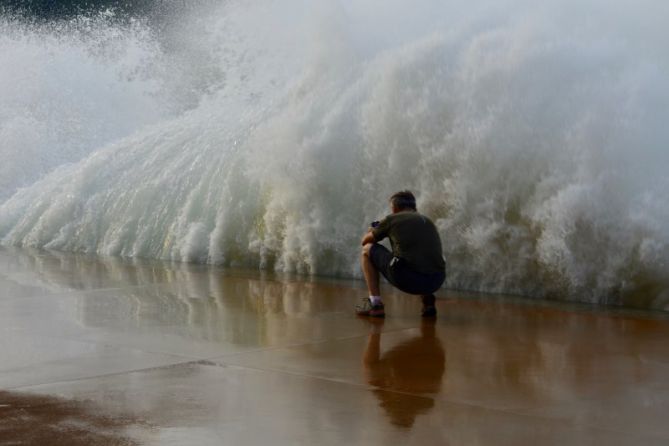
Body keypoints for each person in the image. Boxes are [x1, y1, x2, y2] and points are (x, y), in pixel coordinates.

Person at [357, 190, 446, 318]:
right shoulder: (427, 221)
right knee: (418, 253)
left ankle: (375, 304)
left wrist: (373, 228)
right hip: (436, 281)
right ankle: (428, 301)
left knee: (367, 250)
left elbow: (364, 241)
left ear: (395, 208)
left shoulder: (392, 219)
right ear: (414, 207)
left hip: (409, 280)